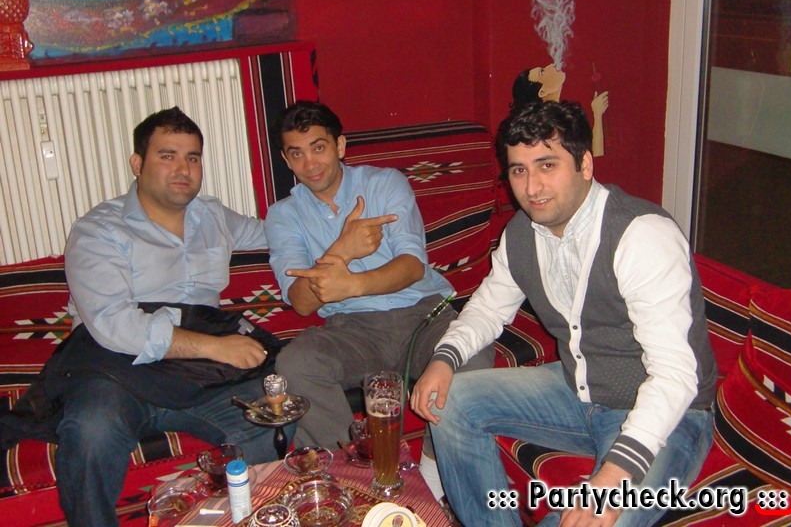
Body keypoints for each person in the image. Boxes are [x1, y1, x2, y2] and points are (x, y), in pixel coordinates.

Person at [411, 100, 717, 527]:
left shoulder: (641, 235)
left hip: (668, 415)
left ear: (585, 165)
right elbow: (487, 308)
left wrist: (612, 476)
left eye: (547, 165)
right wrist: (444, 359)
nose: (532, 186)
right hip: (577, 390)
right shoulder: (522, 233)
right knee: (452, 400)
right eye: (519, 170)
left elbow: (675, 374)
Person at [51, 107, 285, 526]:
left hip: (200, 377)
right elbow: (113, 325)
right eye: (167, 155)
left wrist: (336, 230)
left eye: (192, 157)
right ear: (137, 163)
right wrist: (216, 346)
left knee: (270, 419)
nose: (183, 169)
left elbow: (278, 234)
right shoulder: (98, 231)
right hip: (116, 369)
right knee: (90, 432)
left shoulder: (212, 216)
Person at [265, 100, 494, 501]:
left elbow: (412, 266)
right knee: (296, 365)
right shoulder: (283, 215)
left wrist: (350, 285)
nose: (310, 163)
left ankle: (436, 470)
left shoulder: (384, 183)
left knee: (472, 355)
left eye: (318, 147)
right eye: (296, 153)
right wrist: (343, 247)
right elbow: (301, 302)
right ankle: (347, 482)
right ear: (286, 159)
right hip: (353, 331)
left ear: (340, 146)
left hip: (423, 315)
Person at [512, 63, 609, 156]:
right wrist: (598, 115)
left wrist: (597, 113)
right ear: (542, 92)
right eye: (542, 72)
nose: (551, 65)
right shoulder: (547, 128)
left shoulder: (567, 115)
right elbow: (593, 156)